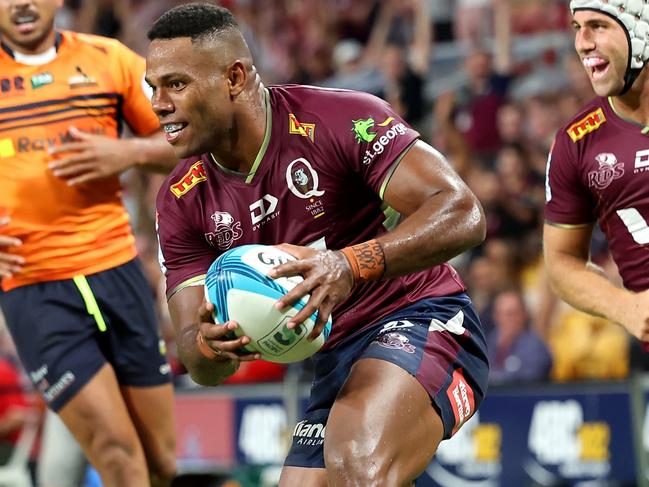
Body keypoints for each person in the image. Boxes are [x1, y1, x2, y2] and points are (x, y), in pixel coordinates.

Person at [147, 3, 490, 485]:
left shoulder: (340, 118)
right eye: (154, 87)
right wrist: (210, 346)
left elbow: (462, 212)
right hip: (336, 359)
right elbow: (196, 355)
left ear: (235, 77)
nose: (159, 103)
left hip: (422, 318)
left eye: (176, 84)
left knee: (359, 464)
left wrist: (348, 264)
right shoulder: (180, 201)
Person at [0, 1, 178, 486]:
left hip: (116, 270)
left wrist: (130, 151)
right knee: (118, 454)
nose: (21, 4)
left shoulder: (110, 60)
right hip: (35, 289)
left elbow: (189, 138)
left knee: (161, 461)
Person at [544, 0, 649, 353]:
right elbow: (561, 263)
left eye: (598, 26)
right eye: (577, 28)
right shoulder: (575, 142)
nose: (583, 42)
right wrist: (625, 307)